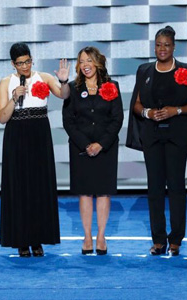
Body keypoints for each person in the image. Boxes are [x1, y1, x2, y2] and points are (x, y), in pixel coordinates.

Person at [126, 26, 187, 256]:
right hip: (152, 136)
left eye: (167, 45)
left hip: (176, 137)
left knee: (177, 188)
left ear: (174, 46)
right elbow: (137, 104)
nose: (162, 49)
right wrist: (148, 113)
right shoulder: (145, 70)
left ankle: (176, 240)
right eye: (159, 44)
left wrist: (175, 111)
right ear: (154, 46)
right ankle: (159, 240)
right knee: (155, 189)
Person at [0, 42, 70, 257]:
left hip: (39, 134)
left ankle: (38, 239)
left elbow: (64, 95)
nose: (25, 66)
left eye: (28, 61)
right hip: (16, 134)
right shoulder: (5, 83)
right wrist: (13, 97)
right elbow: (2, 117)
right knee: (18, 187)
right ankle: (21, 240)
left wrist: (64, 80)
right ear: (13, 64)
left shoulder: (44, 77)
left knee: (39, 186)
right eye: (20, 63)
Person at [62, 47, 123, 255]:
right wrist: (86, 144)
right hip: (81, 148)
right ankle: (87, 236)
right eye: (81, 61)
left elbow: (117, 119)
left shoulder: (111, 86)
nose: (85, 65)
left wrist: (101, 144)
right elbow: (69, 121)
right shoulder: (73, 88)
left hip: (106, 148)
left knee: (104, 192)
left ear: (98, 63)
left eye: (89, 60)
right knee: (85, 193)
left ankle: (101, 236)